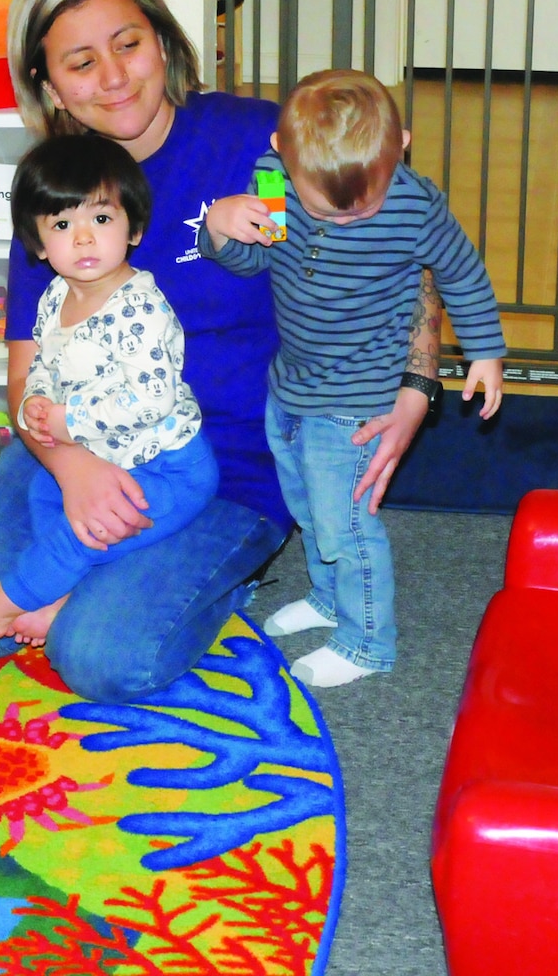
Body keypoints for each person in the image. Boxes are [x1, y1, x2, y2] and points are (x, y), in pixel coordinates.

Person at [0, 0, 441, 703]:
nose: (114, 76)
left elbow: (402, 243)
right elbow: (25, 372)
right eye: (80, 61)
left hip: (225, 464)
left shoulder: (267, 141)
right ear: (47, 82)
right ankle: (107, 567)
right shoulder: (55, 188)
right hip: (76, 444)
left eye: (127, 44)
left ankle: (214, 575)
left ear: (162, 39)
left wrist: (416, 383)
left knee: (100, 657)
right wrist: (72, 468)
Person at [200, 67, 506, 688]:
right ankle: (326, 595)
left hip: (360, 399)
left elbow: (463, 273)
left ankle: (368, 639)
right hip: (291, 384)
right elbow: (253, 259)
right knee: (308, 506)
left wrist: (485, 351)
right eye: (325, 210)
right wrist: (220, 229)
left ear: (402, 147)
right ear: (284, 154)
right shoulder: (275, 176)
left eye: (360, 209)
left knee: (350, 521)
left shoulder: (416, 205)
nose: (342, 221)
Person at [0, 132, 218, 645]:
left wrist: (71, 419)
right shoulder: (55, 296)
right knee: (46, 491)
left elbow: (152, 398)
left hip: (168, 467)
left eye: (101, 219)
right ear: (40, 245)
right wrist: (39, 398)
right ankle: (55, 594)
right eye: (63, 224)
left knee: (82, 533)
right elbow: (44, 359)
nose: (84, 238)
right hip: (100, 452)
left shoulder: (140, 310)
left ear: (134, 228)